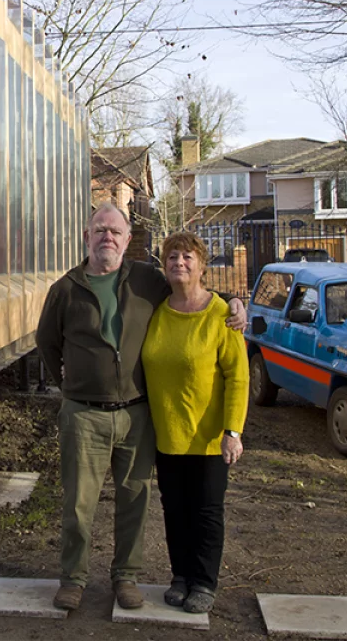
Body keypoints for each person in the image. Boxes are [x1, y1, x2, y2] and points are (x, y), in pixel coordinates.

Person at [35, 204, 245, 612]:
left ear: (128, 240)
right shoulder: (65, 289)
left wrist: (234, 302)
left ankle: (125, 578)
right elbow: (47, 343)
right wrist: (70, 387)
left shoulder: (147, 280)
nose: (107, 237)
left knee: (135, 501)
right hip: (84, 415)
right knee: (78, 504)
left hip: (136, 415)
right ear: (87, 236)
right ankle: (73, 579)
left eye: (115, 231)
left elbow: (193, 290)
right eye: (99, 230)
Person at [141, 231, 249, 614]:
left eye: (187, 257)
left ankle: (204, 581)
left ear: (202, 266)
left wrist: (233, 431)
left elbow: (238, 377)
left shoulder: (223, 315)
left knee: (206, 510)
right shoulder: (157, 310)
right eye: (172, 257)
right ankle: (180, 576)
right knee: (174, 509)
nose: (179, 263)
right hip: (167, 432)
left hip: (208, 437)